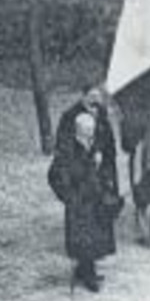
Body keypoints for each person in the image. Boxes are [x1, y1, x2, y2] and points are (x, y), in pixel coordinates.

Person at [47, 110, 122, 291]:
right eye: (88, 130)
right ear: (79, 130)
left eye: (92, 129)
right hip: (80, 202)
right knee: (84, 239)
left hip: (95, 200)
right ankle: (88, 275)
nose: (91, 133)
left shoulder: (93, 146)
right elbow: (55, 175)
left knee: (95, 237)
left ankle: (85, 269)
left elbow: (100, 170)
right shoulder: (68, 150)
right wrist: (68, 196)